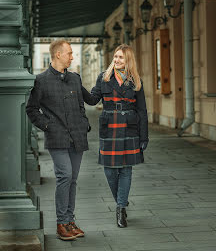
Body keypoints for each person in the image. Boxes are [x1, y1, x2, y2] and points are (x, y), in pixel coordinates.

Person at [26, 39, 89, 241]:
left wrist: (84, 121)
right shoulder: (41, 80)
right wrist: (48, 126)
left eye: (72, 53)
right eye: (69, 53)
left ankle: (70, 221)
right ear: (58, 55)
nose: (72, 56)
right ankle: (61, 223)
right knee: (65, 176)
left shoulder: (75, 79)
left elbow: (81, 105)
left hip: (77, 137)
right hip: (57, 138)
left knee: (72, 180)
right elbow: (31, 109)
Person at [82, 44, 149, 228]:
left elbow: (142, 110)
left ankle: (120, 208)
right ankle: (122, 201)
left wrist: (144, 137)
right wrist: (77, 85)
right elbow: (93, 99)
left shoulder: (135, 81)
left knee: (126, 169)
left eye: (122, 58)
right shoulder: (103, 78)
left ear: (128, 61)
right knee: (110, 170)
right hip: (109, 126)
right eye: (116, 57)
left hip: (129, 128)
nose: (117, 60)